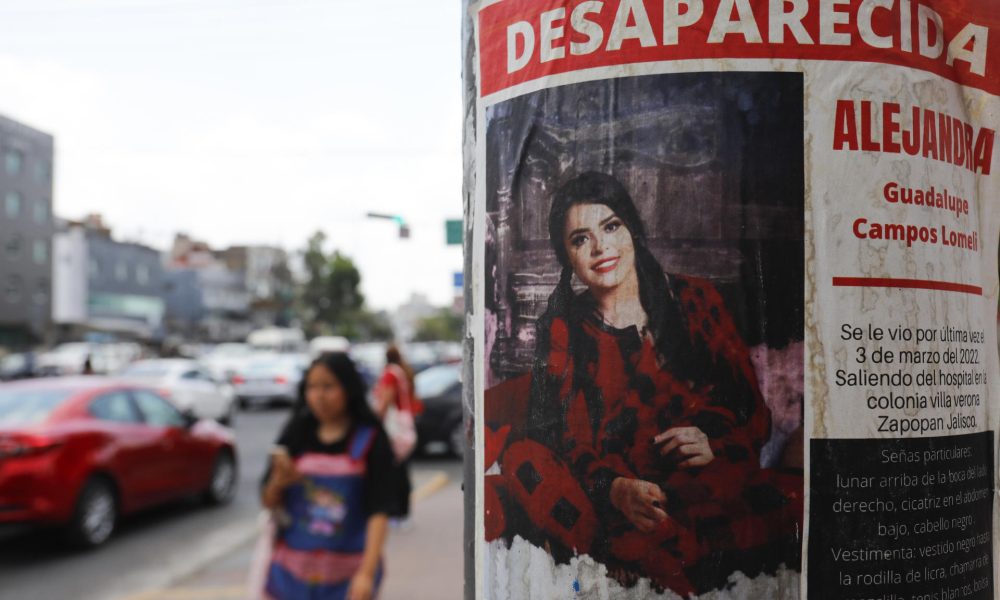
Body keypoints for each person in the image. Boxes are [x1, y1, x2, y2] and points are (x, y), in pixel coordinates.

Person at [495, 171, 801, 594]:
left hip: (697, 485)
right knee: (526, 463)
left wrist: (711, 437)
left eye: (611, 226)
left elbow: (751, 411)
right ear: (567, 258)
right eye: (580, 239)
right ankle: (643, 550)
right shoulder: (565, 330)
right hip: (611, 497)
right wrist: (614, 489)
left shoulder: (694, 300)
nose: (601, 248)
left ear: (633, 231)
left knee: (796, 500)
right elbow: (559, 438)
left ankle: (666, 551)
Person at [260, 352, 394, 600]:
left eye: (328, 386)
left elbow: (379, 510)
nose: (319, 396)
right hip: (289, 576)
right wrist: (278, 483)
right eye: (312, 387)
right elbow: (268, 502)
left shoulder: (371, 438)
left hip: (346, 579)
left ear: (348, 389)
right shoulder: (296, 434)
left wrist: (366, 573)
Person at [374, 344, 416, 526]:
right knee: (401, 469)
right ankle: (403, 512)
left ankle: (398, 512)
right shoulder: (402, 372)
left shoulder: (390, 374)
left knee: (394, 470)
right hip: (404, 424)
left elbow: (386, 401)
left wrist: (375, 423)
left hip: (394, 429)